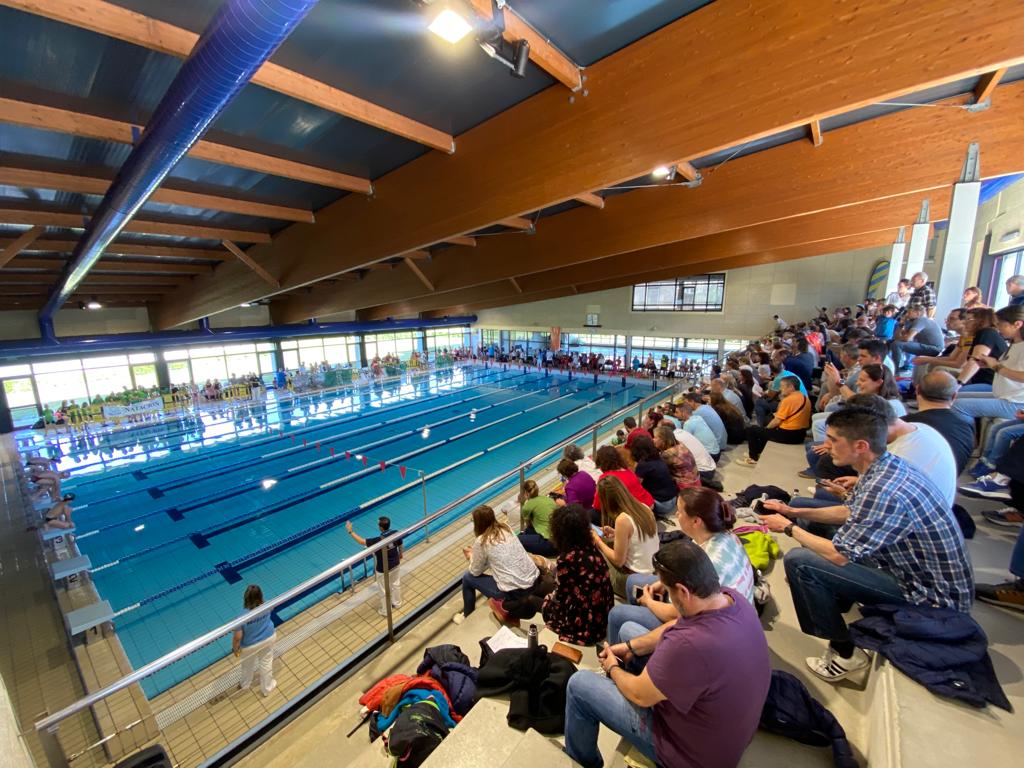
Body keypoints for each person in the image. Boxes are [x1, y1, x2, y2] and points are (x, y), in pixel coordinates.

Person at [759, 407, 973, 682]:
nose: (826, 446)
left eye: (834, 440)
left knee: (800, 563)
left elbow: (839, 555)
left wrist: (787, 528)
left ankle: (846, 655)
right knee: (811, 520)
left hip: (931, 599)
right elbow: (849, 513)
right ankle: (838, 596)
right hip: (908, 570)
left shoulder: (885, 489)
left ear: (860, 446)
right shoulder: (885, 468)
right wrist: (793, 512)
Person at [564, 538, 770, 768]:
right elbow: (676, 624)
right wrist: (631, 647)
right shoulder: (731, 598)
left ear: (682, 591)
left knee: (579, 684)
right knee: (628, 631)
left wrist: (612, 667)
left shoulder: (689, 646)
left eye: (669, 591)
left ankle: (583, 761)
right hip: (723, 733)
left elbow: (640, 694)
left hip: (690, 756)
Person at [540, 504, 615, 645]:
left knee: (539, 599)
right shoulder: (590, 544)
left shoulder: (567, 558)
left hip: (587, 621)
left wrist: (549, 599)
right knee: (545, 587)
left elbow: (561, 595)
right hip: (603, 610)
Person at [453, 505, 538, 624]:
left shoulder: (482, 541)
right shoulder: (506, 528)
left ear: (477, 523)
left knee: (467, 578)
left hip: (516, 592)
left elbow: (475, 571)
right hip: (534, 581)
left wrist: (471, 556)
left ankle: (467, 615)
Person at [591, 475, 659, 598]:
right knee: (606, 540)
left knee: (597, 547)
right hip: (654, 569)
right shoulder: (643, 507)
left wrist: (597, 541)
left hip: (637, 578)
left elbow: (619, 561)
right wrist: (615, 532)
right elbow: (638, 536)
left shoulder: (622, 520)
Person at [904, 371, 974, 476]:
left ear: (917, 390)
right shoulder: (966, 426)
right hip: (948, 487)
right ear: (954, 395)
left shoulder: (903, 425)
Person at [739, 376, 810, 466]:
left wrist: (766, 429)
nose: (780, 389)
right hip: (800, 433)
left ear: (791, 387)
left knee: (752, 430)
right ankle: (757, 451)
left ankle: (753, 458)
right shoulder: (804, 397)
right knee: (763, 431)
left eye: (782, 386)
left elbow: (777, 421)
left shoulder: (789, 400)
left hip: (789, 434)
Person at [346, 516, 403, 616]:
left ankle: (386, 611)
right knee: (395, 584)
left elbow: (362, 541)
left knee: (384, 590)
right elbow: (400, 543)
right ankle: (397, 603)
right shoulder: (395, 533)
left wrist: (351, 532)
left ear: (381, 527)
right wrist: (401, 553)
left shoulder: (378, 540)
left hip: (383, 569)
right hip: (395, 564)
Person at [232, 585, 277, 696]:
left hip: (249, 646)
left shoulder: (241, 617)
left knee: (247, 666)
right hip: (268, 638)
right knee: (266, 663)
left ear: (245, 598)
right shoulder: (267, 605)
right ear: (260, 596)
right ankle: (267, 688)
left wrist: (235, 648)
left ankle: (245, 685)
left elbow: (238, 637)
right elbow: (273, 607)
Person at [591, 445, 654, 512]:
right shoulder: (627, 470)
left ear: (601, 464)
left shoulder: (606, 478)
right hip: (649, 503)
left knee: (594, 513)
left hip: (640, 510)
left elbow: (597, 505)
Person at [630, 434, 678, 519]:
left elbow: (636, 486)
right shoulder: (658, 457)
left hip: (662, 505)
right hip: (673, 499)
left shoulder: (643, 465)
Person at [891, 305, 944, 371]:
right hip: (927, 346)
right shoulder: (912, 322)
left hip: (934, 348)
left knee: (896, 344)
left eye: (909, 313)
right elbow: (896, 337)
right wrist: (901, 325)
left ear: (917, 313)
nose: (907, 315)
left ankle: (895, 370)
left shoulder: (921, 320)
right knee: (894, 343)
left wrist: (900, 339)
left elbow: (907, 339)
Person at [517, 479, 558, 556]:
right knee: (527, 531)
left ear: (525, 493)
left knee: (517, 539)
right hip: (561, 539)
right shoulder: (548, 499)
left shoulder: (527, 506)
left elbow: (529, 525)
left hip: (550, 545)